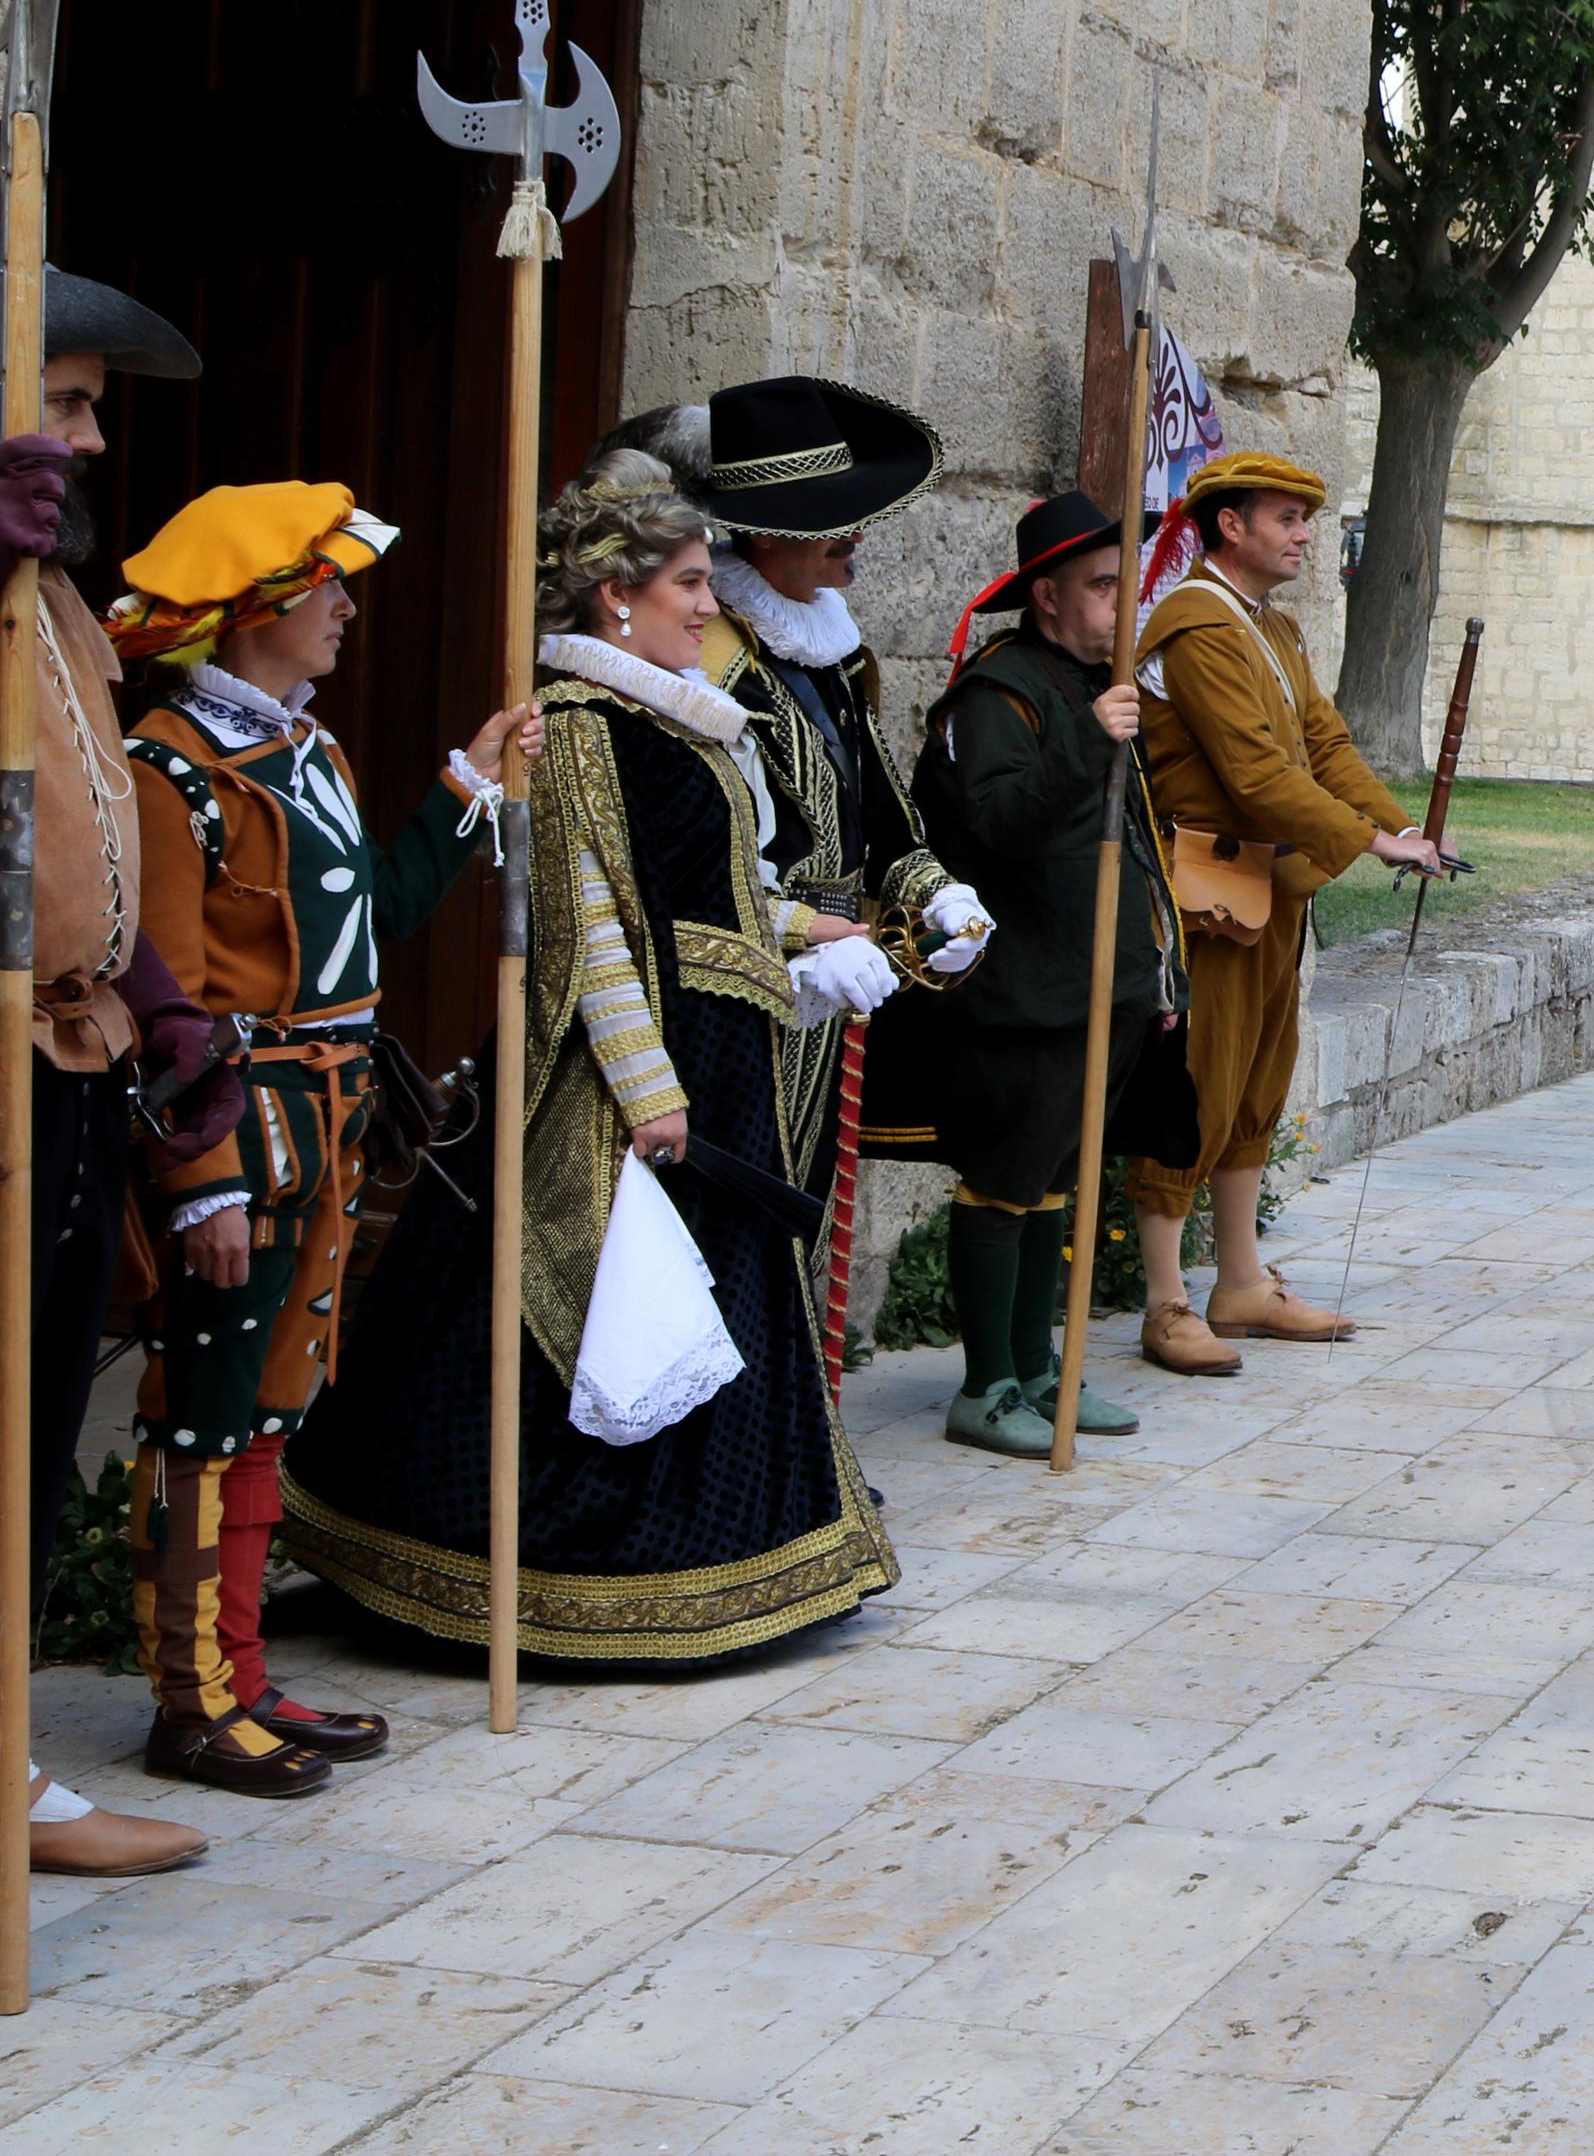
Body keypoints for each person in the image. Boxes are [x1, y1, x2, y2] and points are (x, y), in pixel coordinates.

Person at [281, 455, 901, 1659]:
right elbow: (589, 924)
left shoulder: (677, 714)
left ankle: (735, 1560)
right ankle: (560, 1584)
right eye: (683, 582)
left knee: (719, 1301)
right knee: (586, 1308)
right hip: (630, 1076)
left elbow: (704, 890)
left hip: (727, 1052)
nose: (707, 602)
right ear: (613, 596)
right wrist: (649, 1094)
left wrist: (803, 928)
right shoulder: (574, 728)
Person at [108, 486, 537, 1795]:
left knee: (273, 1403)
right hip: (243, 1130)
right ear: (259, 611)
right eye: (327, 589)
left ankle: (241, 1673)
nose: (348, 607)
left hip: (330, 1124)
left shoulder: (313, 752)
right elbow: (165, 997)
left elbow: (388, 908)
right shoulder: (167, 766)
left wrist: (469, 783)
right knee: (205, 1408)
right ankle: (190, 1698)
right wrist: (201, 1181)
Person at [613, 384, 994, 1396]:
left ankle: (802, 1436)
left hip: (838, 976)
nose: (854, 543)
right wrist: (801, 936)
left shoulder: (824, 646)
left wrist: (933, 895)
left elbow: (877, 819)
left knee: (813, 1204)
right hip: (741, 984)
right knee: (749, 1210)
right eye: (831, 528)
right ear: (767, 538)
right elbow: (695, 854)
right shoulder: (715, 662)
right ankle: (753, 1441)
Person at [0, 272, 239, 1876]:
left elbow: (79, 819)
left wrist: (161, 1000)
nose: (88, 442)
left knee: (27, 1423)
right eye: (64, 403)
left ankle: (5, 1768)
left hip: (72, 1058)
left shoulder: (58, 601)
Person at [866, 492, 1181, 1454]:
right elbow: (995, 828)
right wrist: (1092, 735)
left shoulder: (1099, 685)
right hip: (1027, 994)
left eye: (1128, 586)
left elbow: (1135, 847)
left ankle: (1041, 1368)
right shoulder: (996, 695)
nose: (1120, 606)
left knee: (1055, 1182)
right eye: (1100, 587)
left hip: (1105, 988)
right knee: (1004, 1182)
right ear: (1046, 598)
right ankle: (987, 1384)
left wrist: (1159, 969)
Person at [1131, 452, 1447, 1369]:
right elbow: (1254, 774)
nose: (1306, 534)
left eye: (1306, 518)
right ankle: (1163, 1302)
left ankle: (1239, 1282)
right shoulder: (1197, 626)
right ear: (1230, 525)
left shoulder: (1274, 629)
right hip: (1204, 889)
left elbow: (1323, 742)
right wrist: (1370, 840)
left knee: (1258, 1082)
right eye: (1288, 518)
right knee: (1196, 1082)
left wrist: (1403, 826)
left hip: (1268, 885)